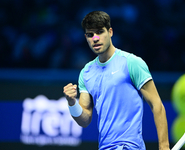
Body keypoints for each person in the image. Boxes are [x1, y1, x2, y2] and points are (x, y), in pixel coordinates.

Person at [63, 11, 170, 150]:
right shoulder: (86, 73)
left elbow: (157, 105)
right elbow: (85, 120)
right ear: (86, 37)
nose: (95, 38)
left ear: (110, 32)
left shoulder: (132, 62)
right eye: (90, 34)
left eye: (100, 32)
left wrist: (164, 146)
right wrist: (72, 103)